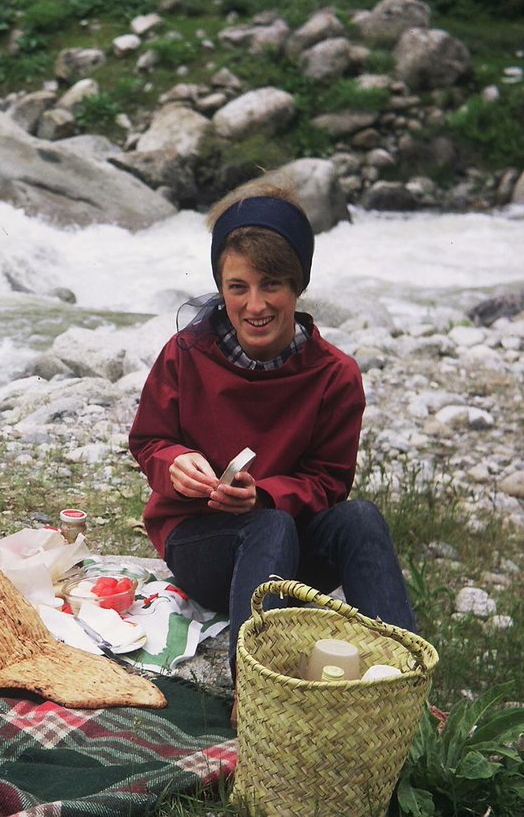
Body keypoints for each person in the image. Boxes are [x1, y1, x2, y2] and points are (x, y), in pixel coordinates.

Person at [128, 185, 416, 702]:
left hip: (289, 546)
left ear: (298, 284)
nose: (254, 305)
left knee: (360, 519)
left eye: (272, 285)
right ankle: (259, 701)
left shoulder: (335, 375)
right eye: (237, 287)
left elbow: (329, 482)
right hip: (201, 542)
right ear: (220, 285)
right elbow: (150, 439)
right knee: (268, 525)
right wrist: (173, 463)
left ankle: (404, 683)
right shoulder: (186, 353)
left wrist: (263, 494)